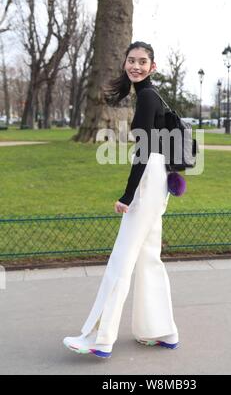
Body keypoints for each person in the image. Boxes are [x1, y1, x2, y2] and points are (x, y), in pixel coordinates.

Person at [63, 41, 178, 359]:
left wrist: (128, 196)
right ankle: (163, 330)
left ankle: (99, 338)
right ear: (125, 64)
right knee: (147, 256)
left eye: (143, 61)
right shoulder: (153, 97)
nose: (136, 66)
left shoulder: (146, 98)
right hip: (159, 180)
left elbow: (142, 151)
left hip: (148, 179)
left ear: (152, 67)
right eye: (131, 60)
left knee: (121, 260)